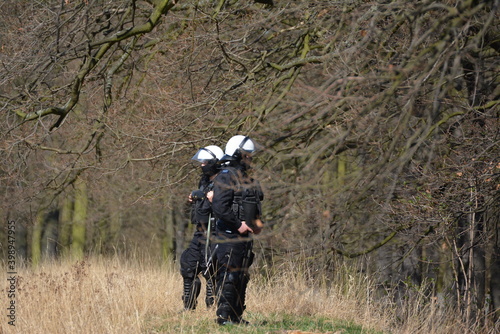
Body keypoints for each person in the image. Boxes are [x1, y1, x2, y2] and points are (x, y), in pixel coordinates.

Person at [211, 135, 264, 325]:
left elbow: (251, 204)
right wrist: (238, 224)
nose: (250, 158)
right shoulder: (226, 175)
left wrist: (256, 224)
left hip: (244, 237)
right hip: (229, 235)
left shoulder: (244, 177)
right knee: (230, 275)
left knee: (242, 275)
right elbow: (220, 207)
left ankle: (236, 316)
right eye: (247, 154)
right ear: (238, 154)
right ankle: (223, 317)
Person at [180, 145, 224, 310]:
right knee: (188, 264)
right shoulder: (204, 181)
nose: (202, 164)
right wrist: (192, 200)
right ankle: (188, 306)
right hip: (200, 231)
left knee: (210, 268)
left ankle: (212, 307)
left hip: (215, 232)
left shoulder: (225, 181)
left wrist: (216, 199)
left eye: (205, 161)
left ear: (214, 162)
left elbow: (229, 209)